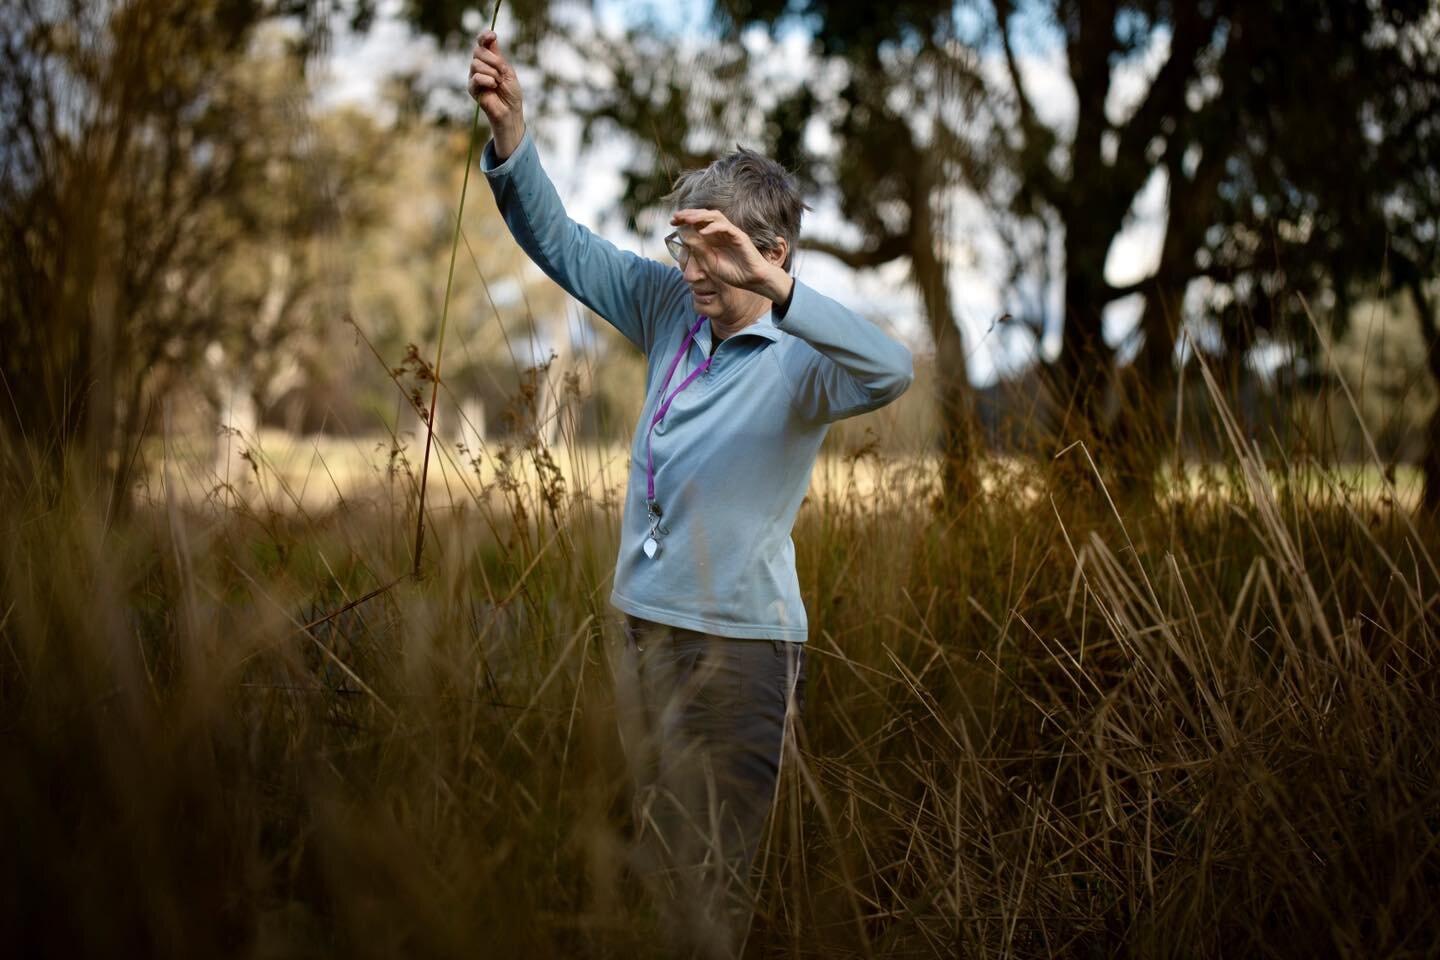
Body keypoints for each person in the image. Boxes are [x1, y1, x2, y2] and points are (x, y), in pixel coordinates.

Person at [468, 29, 914, 958]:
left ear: (772, 252)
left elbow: (892, 370)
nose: (694, 269)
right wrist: (513, 132)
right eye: (684, 245)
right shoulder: (671, 307)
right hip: (641, 626)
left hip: (742, 651)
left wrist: (778, 290)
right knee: (662, 857)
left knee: (719, 872)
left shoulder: (804, 362)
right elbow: (562, 243)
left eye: (716, 252)